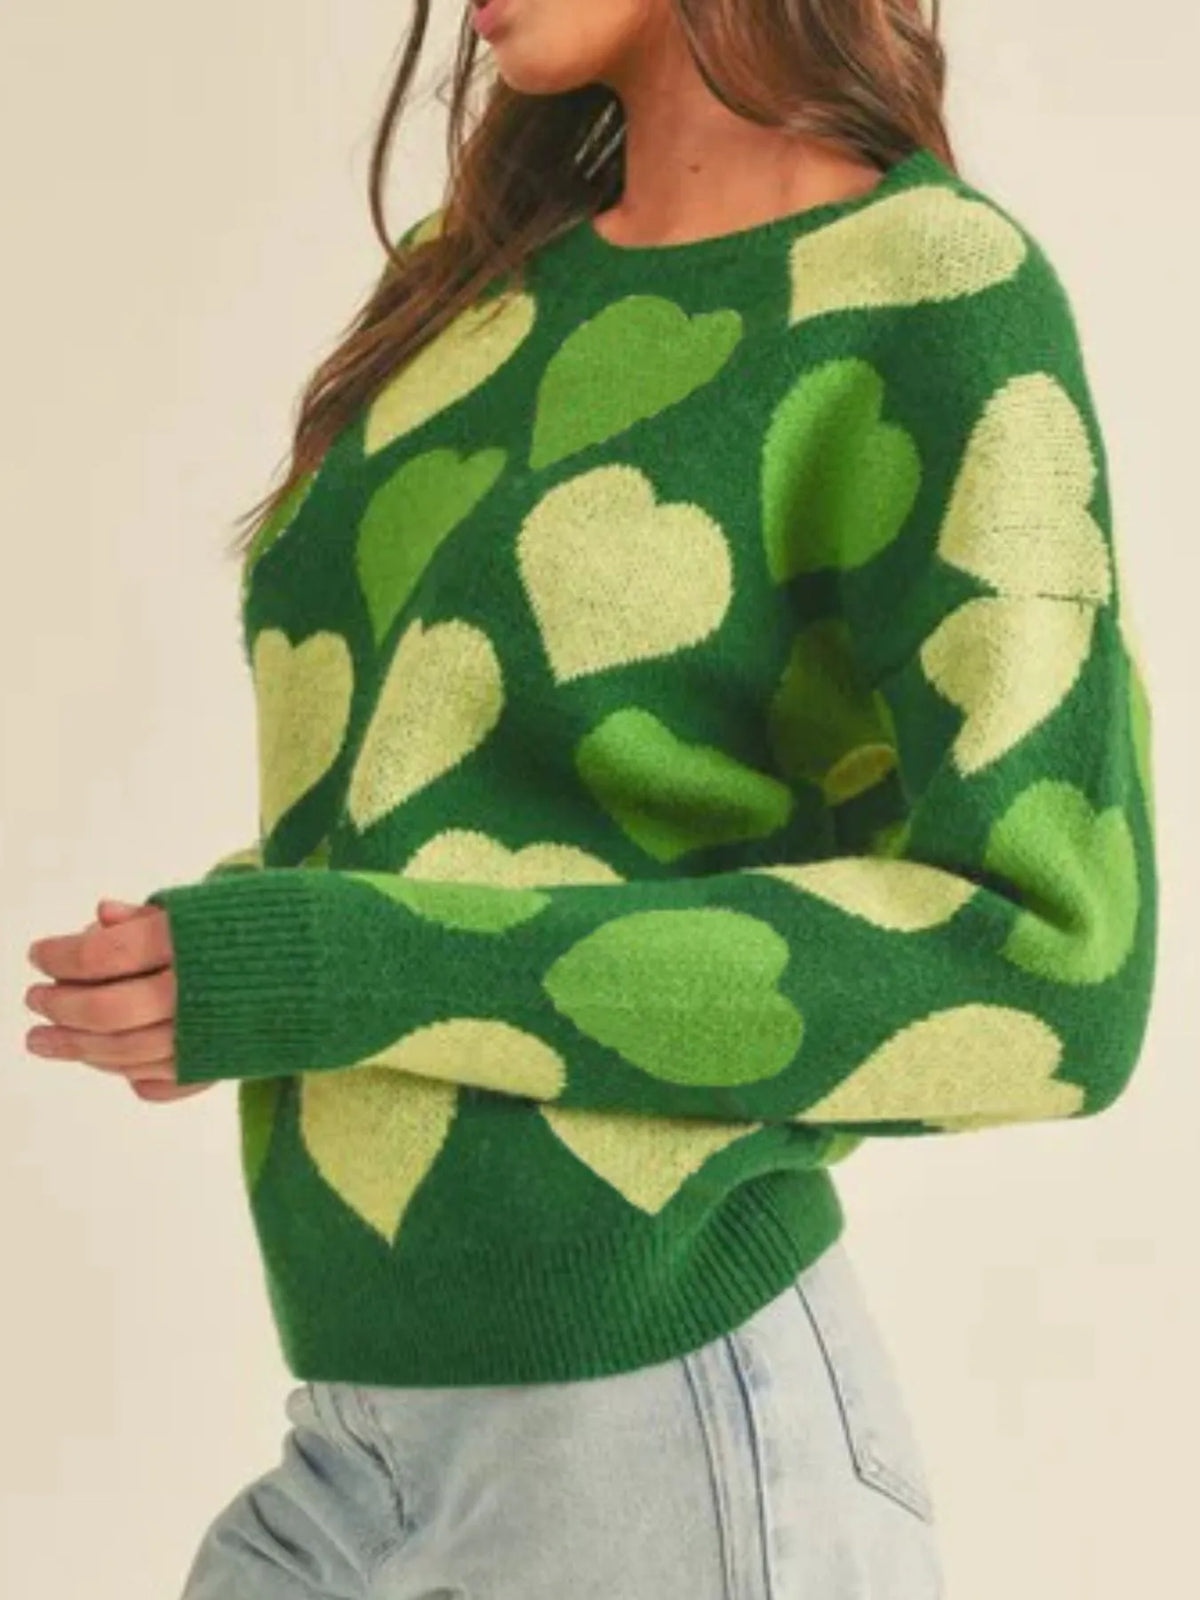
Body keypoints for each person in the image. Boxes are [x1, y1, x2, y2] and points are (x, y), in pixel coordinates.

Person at [24, 1, 1157, 1595]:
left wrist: (349, 968)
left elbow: (1058, 968)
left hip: (664, 1430)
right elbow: (471, 804)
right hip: (361, 1429)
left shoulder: (933, 294)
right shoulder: (472, 282)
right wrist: (237, 952)